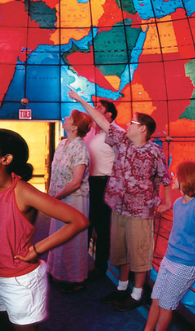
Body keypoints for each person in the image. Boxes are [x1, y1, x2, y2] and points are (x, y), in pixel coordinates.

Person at [0, 129, 88, 331]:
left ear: (6, 159)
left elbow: (78, 220)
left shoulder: (23, 191)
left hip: (21, 281)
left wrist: (37, 249)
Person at [68, 88, 171, 311]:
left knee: (139, 252)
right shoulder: (122, 141)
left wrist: (167, 202)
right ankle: (122, 288)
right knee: (121, 250)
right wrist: (80, 100)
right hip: (119, 207)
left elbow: (164, 177)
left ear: (143, 129)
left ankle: (136, 295)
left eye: (132, 123)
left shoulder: (155, 151)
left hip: (141, 210)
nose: (128, 125)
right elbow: (99, 119)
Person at [145, 161, 195, 331]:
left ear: (187, 178)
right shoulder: (177, 203)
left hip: (185, 265)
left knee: (166, 305)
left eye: (177, 174)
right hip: (169, 259)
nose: (172, 177)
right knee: (155, 300)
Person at [47, 110, 92, 293]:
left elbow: (75, 183)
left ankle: (75, 278)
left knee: (73, 240)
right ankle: (57, 273)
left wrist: (53, 199)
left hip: (73, 200)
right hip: (58, 199)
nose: (64, 119)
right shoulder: (62, 144)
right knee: (58, 236)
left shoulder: (81, 148)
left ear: (74, 127)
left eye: (69, 119)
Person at [83, 99, 117, 279]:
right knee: (88, 225)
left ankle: (100, 268)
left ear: (109, 114)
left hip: (105, 183)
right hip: (92, 183)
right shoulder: (95, 135)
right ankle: (81, 265)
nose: (94, 110)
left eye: (99, 108)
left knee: (102, 228)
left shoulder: (113, 133)